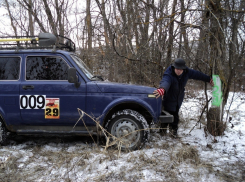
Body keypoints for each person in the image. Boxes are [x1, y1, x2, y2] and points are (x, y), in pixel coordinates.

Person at [153, 58, 214, 137]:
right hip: (169, 99)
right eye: (177, 69)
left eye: (181, 69)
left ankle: (173, 133)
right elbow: (166, 81)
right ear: (174, 67)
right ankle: (162, 133)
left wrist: (209, 79)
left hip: (179, 99)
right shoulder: (169, 73)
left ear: (184, 69)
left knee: (175, 117)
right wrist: (162, 89)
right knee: (166, 115)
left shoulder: (187, 72)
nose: (179, 71)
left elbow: (198, 75)